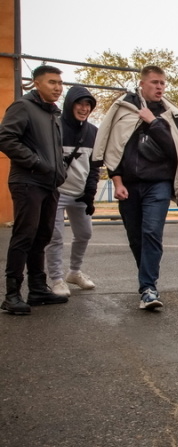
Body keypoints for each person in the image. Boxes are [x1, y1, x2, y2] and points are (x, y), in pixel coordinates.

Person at [93, 65, 178, 310]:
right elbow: (113, 148)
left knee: (151, 232)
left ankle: (148, 287)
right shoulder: (124, 109)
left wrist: (154, 123)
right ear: (142, 84)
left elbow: (176, 152)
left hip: (158, 184)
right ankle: (146, 281)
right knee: (136, 237)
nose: (159, 87)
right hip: (128, 185)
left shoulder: (172, 115)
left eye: (162, 83)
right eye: (154, 82)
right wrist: (116, 181)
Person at [0, 65, 69, 314]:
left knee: (42, 236)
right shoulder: (23, 107)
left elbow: (56, 151)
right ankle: (11, 294)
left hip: (49, 184)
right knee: (24, 236)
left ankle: (38, 289)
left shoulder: (52, 114)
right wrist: (37, 163)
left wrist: (60, 169)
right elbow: (5, 138)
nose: (58, 87)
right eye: (52, 82)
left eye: (60, 83)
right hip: (27, 181)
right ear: (36, 83)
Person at [45, 85, 102, 297]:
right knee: (55, 237)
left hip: (79, 193)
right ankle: (57, 279)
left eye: (88, 104)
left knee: (85, 233)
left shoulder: (93, 132)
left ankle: (74, 272)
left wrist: (90, 192)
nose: (84, 108)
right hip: (56, 193)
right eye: (80, 103)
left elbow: (95, 166)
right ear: (70, 104)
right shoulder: (55, 127)